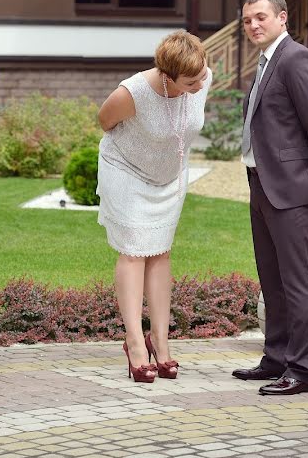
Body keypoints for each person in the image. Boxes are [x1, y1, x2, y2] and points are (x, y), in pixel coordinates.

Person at [230, 0, 308, 395]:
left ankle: (302, 371)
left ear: (282, 18)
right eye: (247, 21)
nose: (253, 26)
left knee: (297, 280)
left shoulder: (297, 58)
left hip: (291, 188)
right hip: (260, 185)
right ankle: (276, 358)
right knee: (272, 278)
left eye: (260, 17)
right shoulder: (264, 63)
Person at [96, 30, 212, 383]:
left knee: (160, 251)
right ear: (167, 75)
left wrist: (198, 82)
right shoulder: (134, 92)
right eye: (190, 82)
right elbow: (105, 122)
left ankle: (160, 340)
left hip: (170, 179)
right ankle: (134, 343)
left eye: (201, 77)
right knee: (133, 252)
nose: (199, 84)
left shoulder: (201, 76)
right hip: (127, 171)